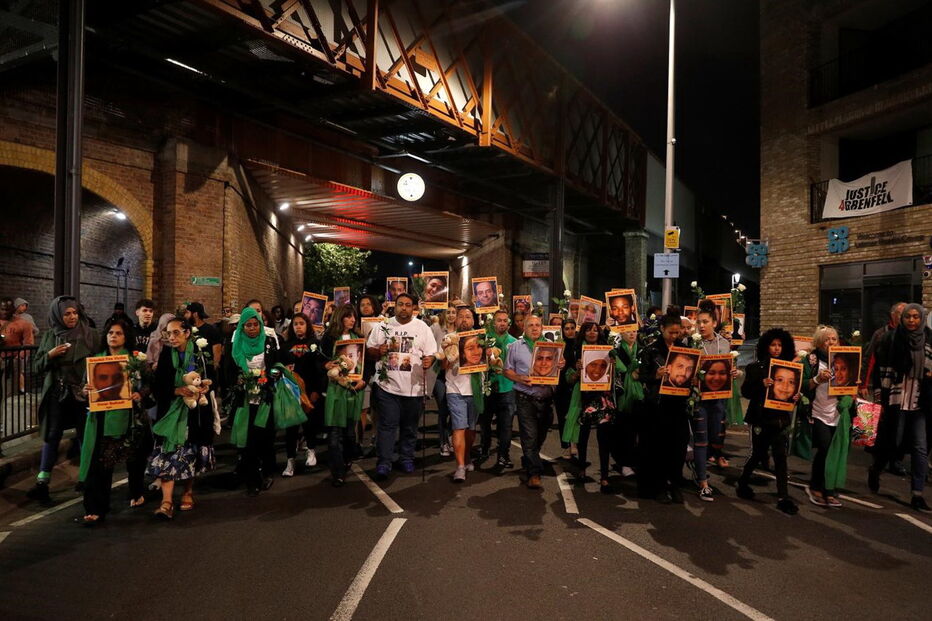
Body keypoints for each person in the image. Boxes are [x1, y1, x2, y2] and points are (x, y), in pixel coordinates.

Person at [27, 297, 99, 504]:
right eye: (67, 314)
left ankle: (85, 478)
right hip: (58, 393)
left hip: (82, 393)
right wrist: (50, 355)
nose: (72, 317)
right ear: (58, 315)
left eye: (74, 313)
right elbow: (36, 366)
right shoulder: (51, 336)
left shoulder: (90, 335)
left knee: (85, 435)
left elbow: (101, 361)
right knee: (52, 434)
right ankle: (43, 481)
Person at [148, 317, 217, 519]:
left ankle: (187, 492)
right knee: (168, 452)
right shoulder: (167, 355)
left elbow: (212, 376)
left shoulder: (199, 354)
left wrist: (205, 386)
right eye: (168, 333)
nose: (172, 337)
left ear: (187, 333)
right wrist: (176, 391)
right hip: (171, 412)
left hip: (194, 412)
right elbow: (158, 385)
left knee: (190, 451)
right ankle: (166, 501)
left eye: (176, 332)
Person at [366, 292, 437, 479]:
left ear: (413, 308)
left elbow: (431, 353)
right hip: (387, 386)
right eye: (400, 304)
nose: (403, 308)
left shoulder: (422, 328)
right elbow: (369, 349)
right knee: (387, 426)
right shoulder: (383, 326)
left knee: (409, 427)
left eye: (407, 304)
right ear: (394, 306)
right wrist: (378, 351)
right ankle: (384, 462)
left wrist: (429, 361)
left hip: (413, 389)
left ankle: (406, 458)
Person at [869, 304, 932, 512]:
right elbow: (879, 369)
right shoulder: (890, 339)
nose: (912, 321)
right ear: (901, 318)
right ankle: (876, 469)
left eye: (916, 317)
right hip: (895, 399)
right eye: (908, 317)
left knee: (920, 448)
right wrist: (879, 396)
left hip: (920, 401)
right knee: (891, 443)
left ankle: (917, 494)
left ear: (922, 318)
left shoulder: (929, 340)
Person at [77, 318, 140, 525]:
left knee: (132, 463)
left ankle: (137, 492)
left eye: (118, 333)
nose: (113, 336)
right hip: (100, 419)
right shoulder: (96, 360)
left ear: (126, 337)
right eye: (111, 333)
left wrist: (139, 394)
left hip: (127, 420)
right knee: (99, 466)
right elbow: (84, 391)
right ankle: (96, 508)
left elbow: (148, 386)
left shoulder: (134, 360)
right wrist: (84, 390)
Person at [736, 328, 799, 515]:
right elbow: (746, 392)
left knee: (780, 457)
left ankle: (783, 497)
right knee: (757, 454)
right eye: (773, 345)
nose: (777, 348)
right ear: (766, 346)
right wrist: (760, 384)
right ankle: (743, 482)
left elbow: (792, 392)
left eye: (780, 345)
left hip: (780, 419)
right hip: (761, 418)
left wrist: (795, 396)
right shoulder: (755, 368)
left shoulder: (789, 368)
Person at [226, 306, 283, 496]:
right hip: (245, 400)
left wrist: (270, 377)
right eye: (247, 325)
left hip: (265, 398)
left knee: (264, 437)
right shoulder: (236, 346)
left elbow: (277, 366)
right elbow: (229, 372)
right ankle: (253, 480)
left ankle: (267, 472)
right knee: (248, 439)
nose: (251, 328)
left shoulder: (268, 342)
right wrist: (239, 380)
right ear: (241, 327)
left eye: (255, 324)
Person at [504, 314, 564, 490]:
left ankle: (530, 458)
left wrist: (561, 364)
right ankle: (534, 473)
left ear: (542, 327)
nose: (535, 328)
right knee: (529, 436)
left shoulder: (552, 347)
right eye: (531, 325)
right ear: (524, 327)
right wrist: (519, 378)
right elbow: (506, 370)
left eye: (538, 325)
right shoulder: (515, 347)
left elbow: (559, 367)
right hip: (525, 399)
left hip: (546, 399)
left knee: (540, 435)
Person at [638, 307, 690, 503]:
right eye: (671, 332)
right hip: (657, 407)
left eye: (678, 332)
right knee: (658, 448)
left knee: (678, 447)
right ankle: (658, 486)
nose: (674, 336)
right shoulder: (651, 350)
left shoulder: (683, 349)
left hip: (678, 404)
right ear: (662, 329)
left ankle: (675, 483)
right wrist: (655, 375)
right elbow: (641, 375)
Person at [691, 299, 740, 502]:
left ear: (714, 322)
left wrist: (734, 373)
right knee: (701, 441)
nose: (701, 326)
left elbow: (728, 370)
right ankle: (702, 481)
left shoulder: (724, 343)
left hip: (718, 400)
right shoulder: (692, 344)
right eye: (699, 322)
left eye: (705, 322)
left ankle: (700, 467)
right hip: (699, 400)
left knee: (713, 438)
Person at [800, 325, 854, 508]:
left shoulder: (844, 359)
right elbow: (801, 386)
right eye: (826, 339)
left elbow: (850, 383)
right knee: (825, 449)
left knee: (835, 452)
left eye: (834, 339)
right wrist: (817, 380)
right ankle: (816, 486)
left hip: (838, 414)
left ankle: (829, 489)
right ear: (818, 342)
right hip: (818, 412)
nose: (830, 342)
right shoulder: (811, 360)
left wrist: (853, 389)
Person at [563, 321, 620, 493]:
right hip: (583, 398)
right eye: (588, 330)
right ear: (584, 333)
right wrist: (577, 371)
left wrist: (613, 364)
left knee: (604, 438)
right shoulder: (575, 350)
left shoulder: (607, 350)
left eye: (595, 330)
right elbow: (568, 378)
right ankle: (581, 469)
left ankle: (604, 477)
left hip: (602, 398)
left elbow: (618, 371)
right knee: (583, 436)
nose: (592, 332)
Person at [321, 304, 366, 486]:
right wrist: (326, 366)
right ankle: (337, 472)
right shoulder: (329, 338)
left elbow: (365, 364)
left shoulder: (360, 338)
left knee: (349, 433)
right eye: (348, 316)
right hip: (336, 390)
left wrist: (364, 380)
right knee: (334, 434)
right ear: (340, 318)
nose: (352, 320)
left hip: (354, 389)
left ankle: (347, 460)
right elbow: (321, 361)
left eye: (354, 316)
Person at [444, 306, 486, 482]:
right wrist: (450, 356)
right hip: (455, 389)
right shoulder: (449, 338)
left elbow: (491, 363)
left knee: (470, 429)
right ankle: (460, 466)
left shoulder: (482, 338)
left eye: (468, 317)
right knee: (458, 427)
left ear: (473, 320)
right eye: (460, 317)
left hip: (475, 389)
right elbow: (442, 367)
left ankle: (467, 456)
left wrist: (490, 354)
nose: (464, 320)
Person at [281, 312, 325, 476]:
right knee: (291, 428)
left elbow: (319, 370)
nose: (298, 326)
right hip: (291, 392)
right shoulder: (286, 346)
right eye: (295, 324)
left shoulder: (315, 344)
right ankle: (290, 460)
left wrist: (316, 391)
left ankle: (311, 450)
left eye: (301, 323)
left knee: (309, 424)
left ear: (307, 325)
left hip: (310, 391)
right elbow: (280, 368)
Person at [481, 309, 517, 468]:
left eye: (505, 320)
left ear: (508, 323)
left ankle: (504, 455)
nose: (502, 323)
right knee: (485, 423)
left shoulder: (515, 342)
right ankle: (484, 448)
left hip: (508, 388)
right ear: (493, 322)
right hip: (488, 387)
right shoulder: (485, 340)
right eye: (499, 320)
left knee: (506, 425)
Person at [431, 304, 458, 457]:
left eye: (454, 312)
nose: (451, 315)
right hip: (440, 374)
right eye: (448, 312)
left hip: (455, 374)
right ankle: (443, 443)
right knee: (443, 408)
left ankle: (450, 438)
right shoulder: (436, 329)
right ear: (443, 314)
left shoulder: (460, 331)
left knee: (454, 409)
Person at [554, 318, 578, 460]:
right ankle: (566, 446)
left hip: (576, 386)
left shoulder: (580, 345)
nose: (570, 331)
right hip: (561, 386)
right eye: (567, 328)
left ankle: (574, 444)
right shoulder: (559, 346)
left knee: (575, 416)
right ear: (562, 330)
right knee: (563, 416)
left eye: (572, 328)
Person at [185, 302, 223, 370]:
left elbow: (217, 350)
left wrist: (215, 365)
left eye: (187, 312)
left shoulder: (211, 330)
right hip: (191, 367)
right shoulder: (188, 330)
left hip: (206, 368)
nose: (185, 315)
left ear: (195, 314)